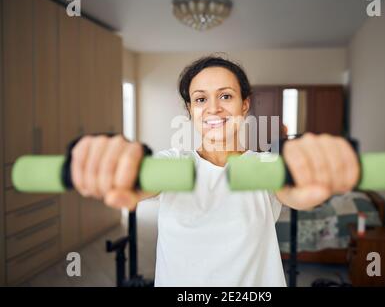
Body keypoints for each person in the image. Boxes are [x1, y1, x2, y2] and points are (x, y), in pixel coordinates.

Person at [70, 55, 359, 286]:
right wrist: (118, 169)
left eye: (225, 96)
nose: (213, 109)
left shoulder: (266, 167)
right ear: (190, 109)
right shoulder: (175, 164)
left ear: (244, 105)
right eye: (200, 99)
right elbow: (140, 177)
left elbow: (297, 195)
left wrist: (319, 183)